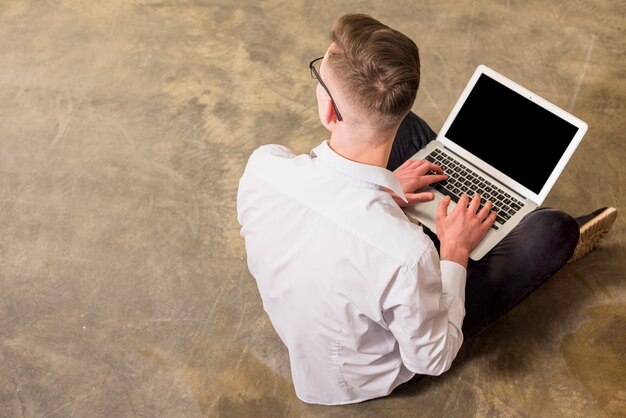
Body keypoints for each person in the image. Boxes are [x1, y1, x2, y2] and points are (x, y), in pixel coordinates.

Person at [236, 13, 617, 405]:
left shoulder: (263, 166)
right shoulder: (411, 254)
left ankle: (478, 205)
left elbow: (331, 213)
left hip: (345, 293)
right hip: (362, 372)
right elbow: (433, 358)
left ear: (329, 112)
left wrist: (386, 188)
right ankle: (522, 229)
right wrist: (453, 253)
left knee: (414, 137)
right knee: (555, 230)